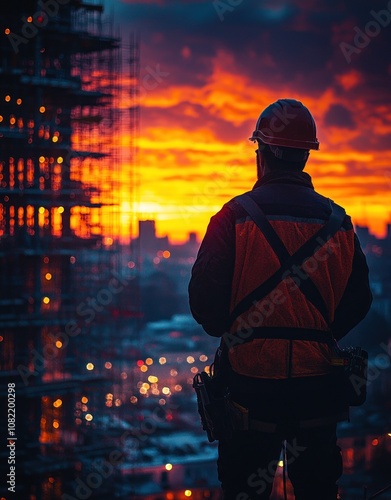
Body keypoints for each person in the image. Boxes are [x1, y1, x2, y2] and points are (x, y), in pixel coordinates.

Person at [188, 99, 372, 500]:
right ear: (306, 155)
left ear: (263, 153)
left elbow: (205, 306)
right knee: (318, 489)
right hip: (317, 391)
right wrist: (315, 334)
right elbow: (359, 300)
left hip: (249, 395)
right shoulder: (338, 223)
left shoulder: (233, 217)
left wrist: (244, 331)